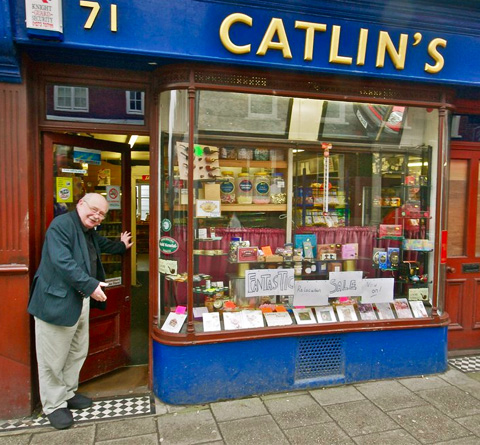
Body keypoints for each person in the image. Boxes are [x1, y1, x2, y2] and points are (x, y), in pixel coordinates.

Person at [28, 193, 133, 430]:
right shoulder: (61, 225)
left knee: (76, 351)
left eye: (101, 214)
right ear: (80, 204)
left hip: (79, 300)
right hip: (55, 303)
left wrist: (120, 246)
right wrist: (90, 285)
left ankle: (66, 393)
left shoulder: (88, 230)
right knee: (52, 358)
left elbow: (101, 245)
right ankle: (54, 406)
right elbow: (62, 262)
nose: (97, 216)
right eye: (93, 210)